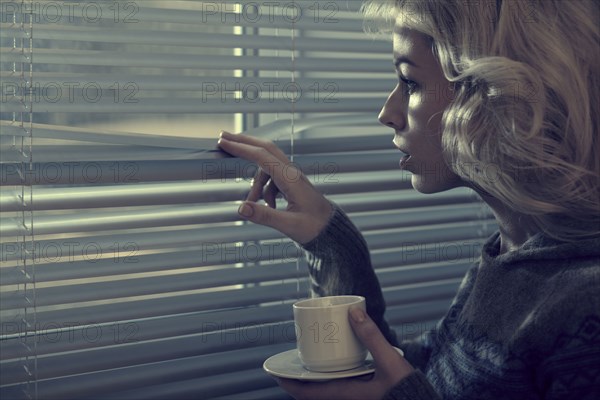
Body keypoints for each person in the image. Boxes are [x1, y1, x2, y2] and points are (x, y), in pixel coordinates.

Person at [217, 0, 600, 399]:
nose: (387, 112)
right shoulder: (509, 260)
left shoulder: (586, 305)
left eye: (410, 82)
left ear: (497, 98)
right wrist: (330, 241)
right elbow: (415, 379)